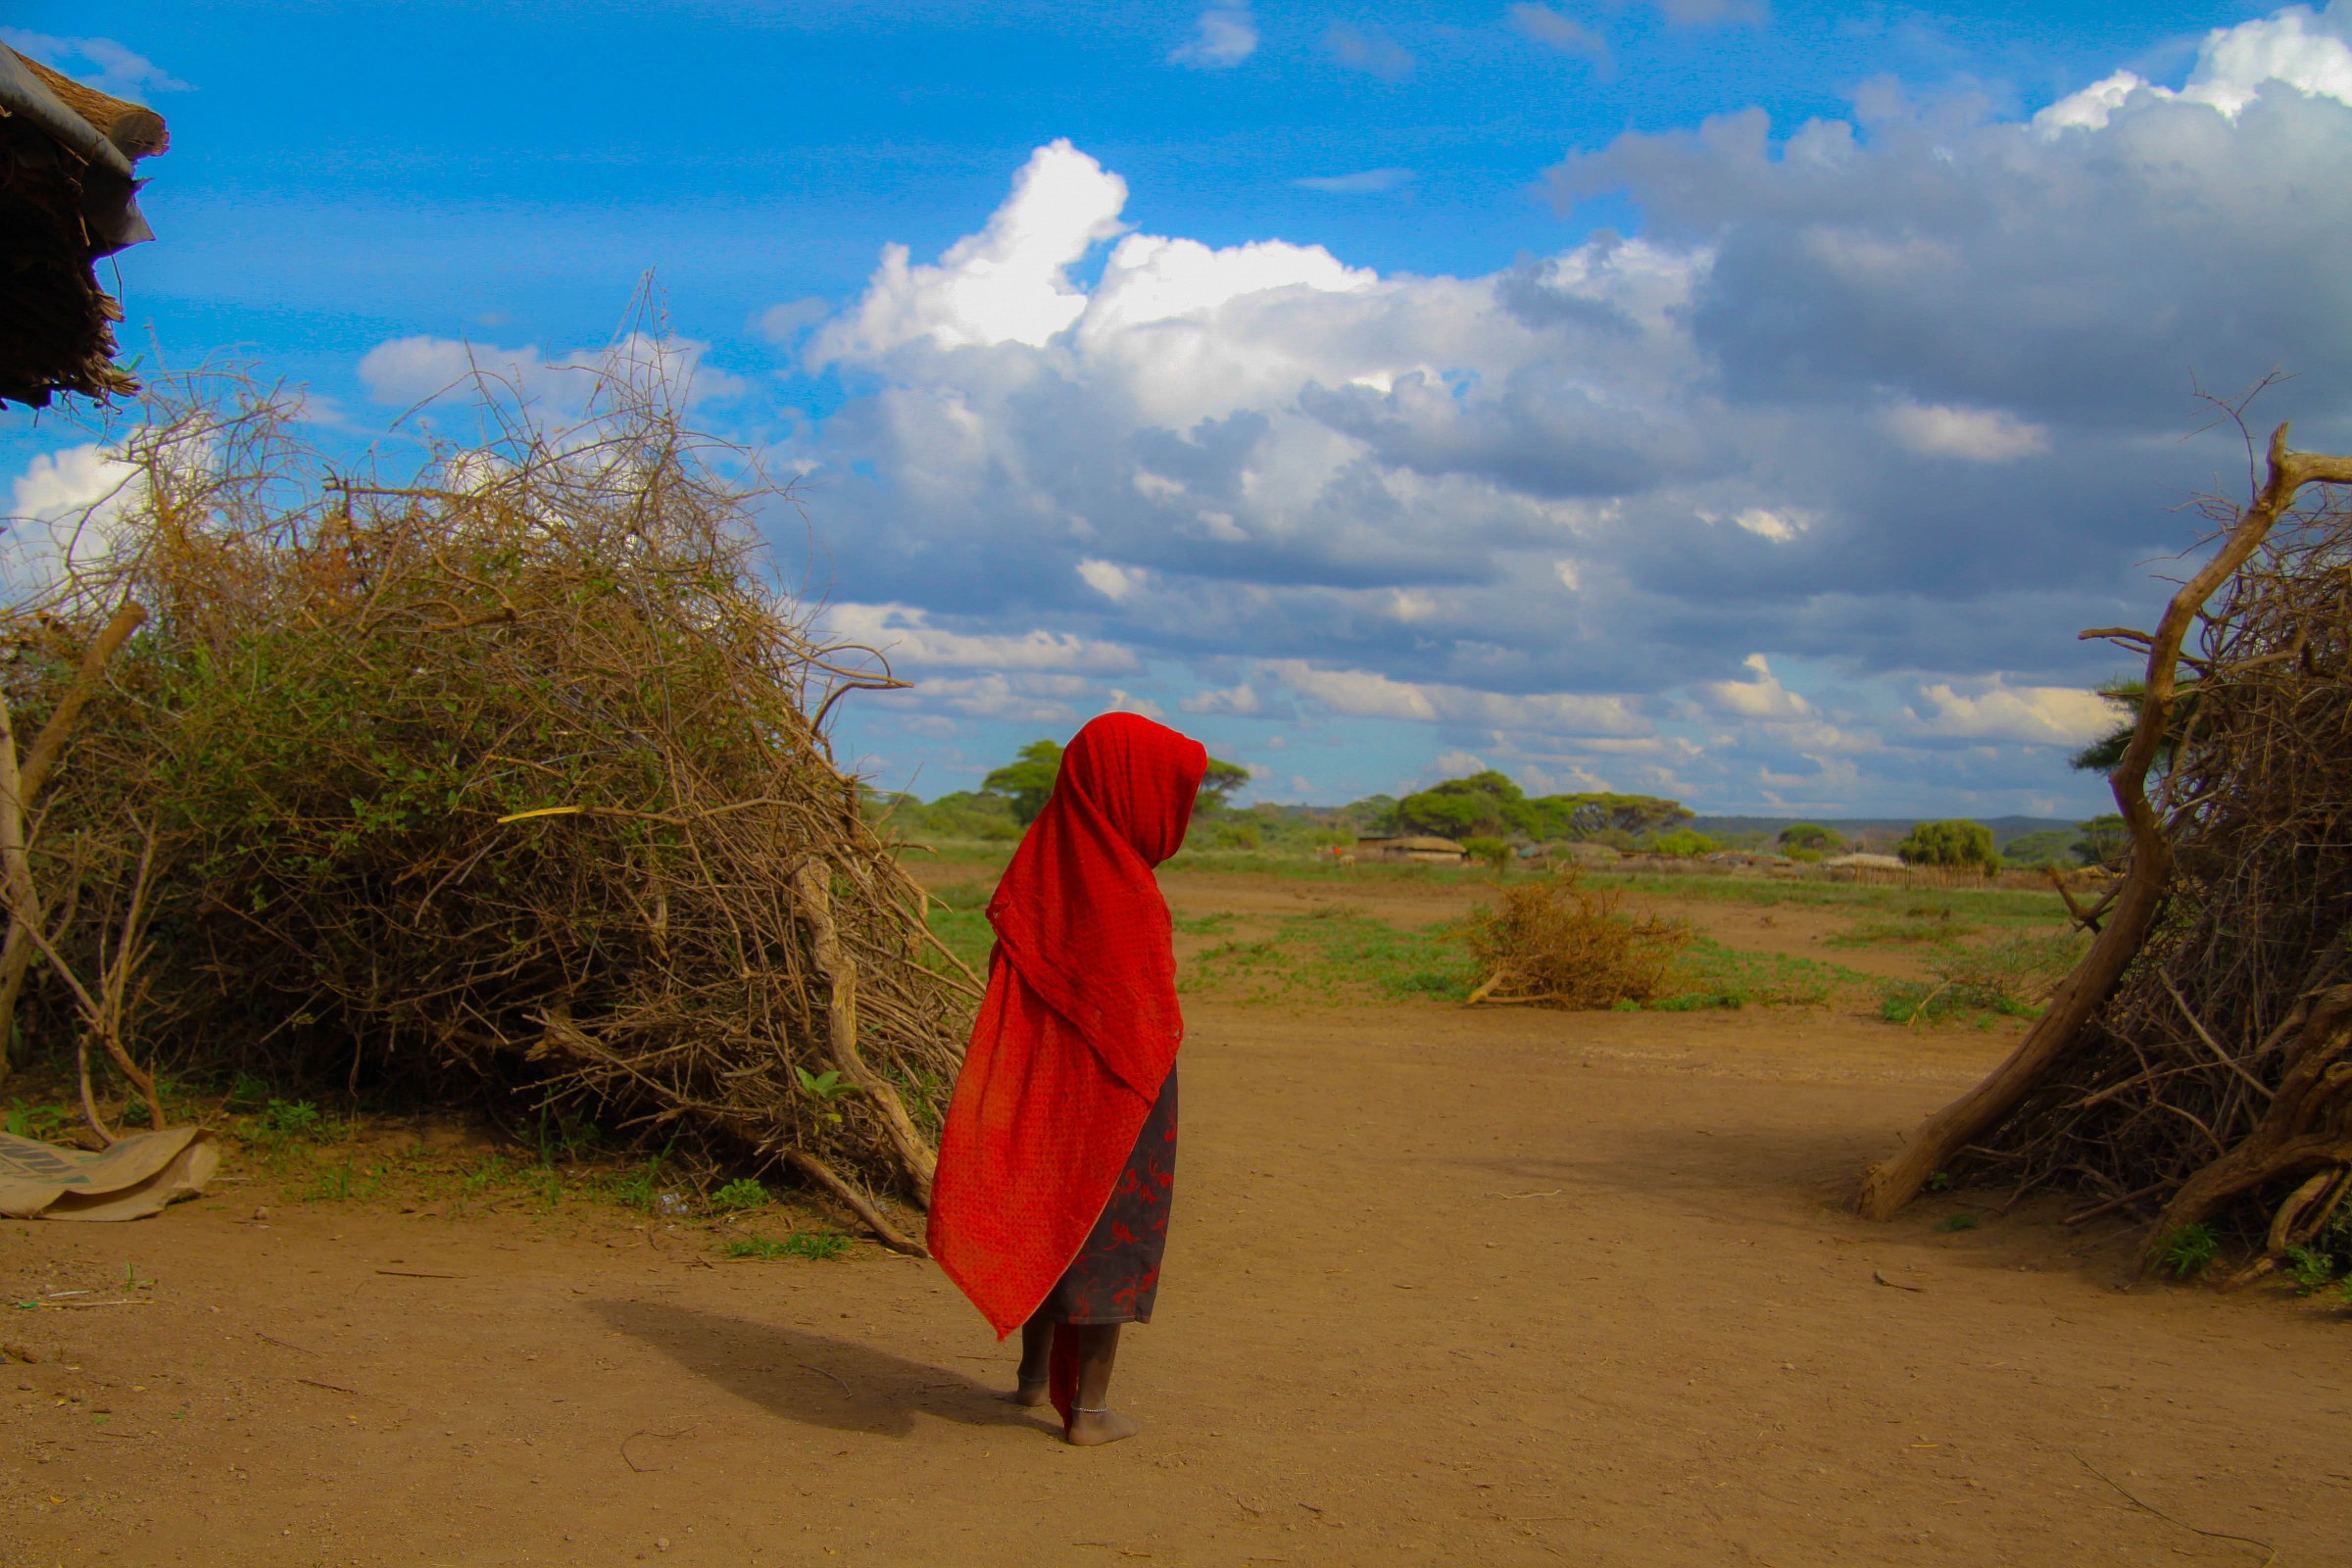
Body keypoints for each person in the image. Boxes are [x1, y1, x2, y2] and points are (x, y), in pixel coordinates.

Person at [926, 712, 1207, 1446]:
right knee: (1111, 1231)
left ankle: (1028, 1379)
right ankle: (1087, 1410)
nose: (1180, 810)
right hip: (1122, 1091)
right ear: (1130, 791)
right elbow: (1142, 1019)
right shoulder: (1124, 890)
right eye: (1171, 791)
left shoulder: (1042, 863)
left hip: (1044, 1088)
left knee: (1055, 1209)